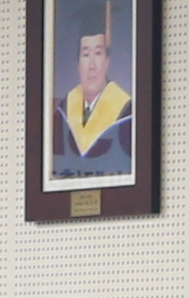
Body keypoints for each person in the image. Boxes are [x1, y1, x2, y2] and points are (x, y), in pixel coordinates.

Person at [50, 11, 135, 180]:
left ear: (107, 61)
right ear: (78, 63)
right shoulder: (63, 112)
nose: (92, 65)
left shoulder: (126, 111)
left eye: (98, 53)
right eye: (85, 55)